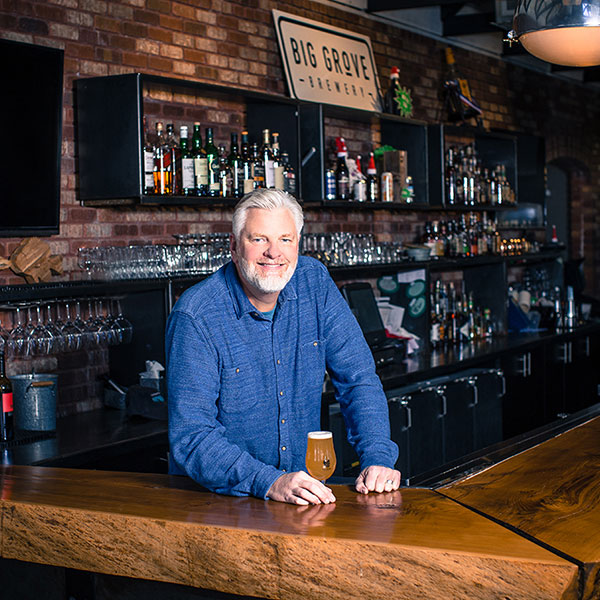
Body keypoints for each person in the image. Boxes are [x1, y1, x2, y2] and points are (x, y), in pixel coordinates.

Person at [166, 188, 400, 505]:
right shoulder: (197, 315)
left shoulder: (313, 282)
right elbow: (192, 436)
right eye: (259, 239)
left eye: (285, 240)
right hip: (219, 503)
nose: (274, 253)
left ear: (298, 244)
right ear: (234, 247)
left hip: (303, 497)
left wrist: (377, 456)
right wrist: (270, 481)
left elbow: (357, 377)